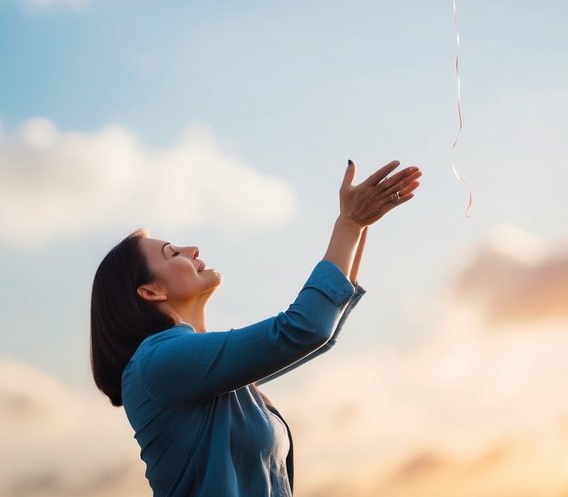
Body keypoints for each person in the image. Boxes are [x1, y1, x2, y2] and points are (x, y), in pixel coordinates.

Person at [89, 159, 421, 496]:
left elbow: (319, 336)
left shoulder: (203, 375)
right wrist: (349, 224)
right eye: (171, 252)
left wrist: (360, 222)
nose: (192, 249)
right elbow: (304, 329)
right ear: (151, 291)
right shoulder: (158, 363)